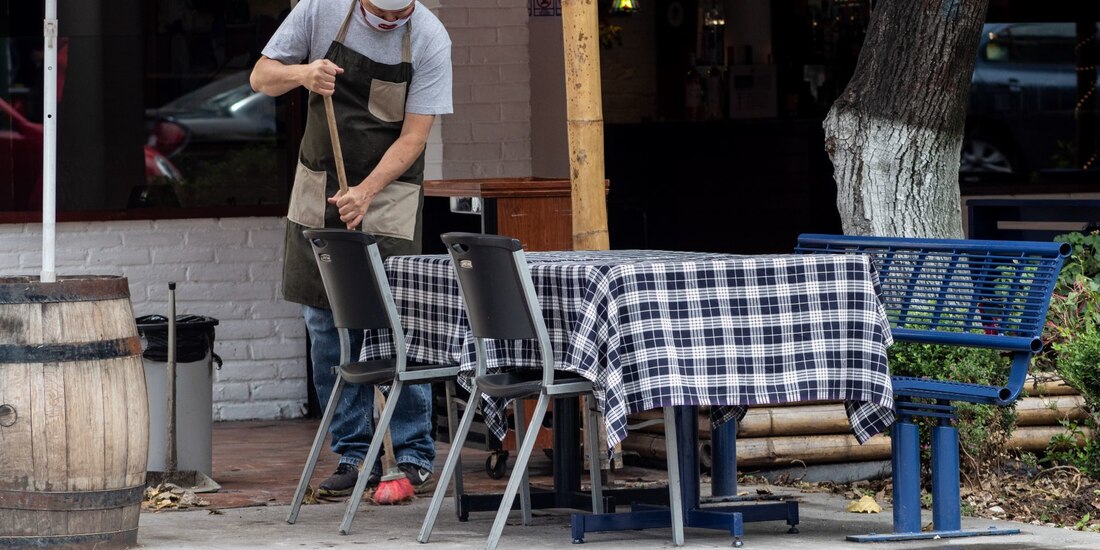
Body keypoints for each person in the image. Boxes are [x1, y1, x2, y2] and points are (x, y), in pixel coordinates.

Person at [250, 0, 452, 497]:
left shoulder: (429, 36)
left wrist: (367, 191)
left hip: (389, 193)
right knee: (324, 322)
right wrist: (303, 73)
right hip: (318, 187)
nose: (389, 24)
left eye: (397, 17)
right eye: (380, 17)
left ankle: (412, 453)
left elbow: (415, 135)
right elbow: (260, 77)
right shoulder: (319, 10)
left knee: (399, 321)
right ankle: (353, 453)